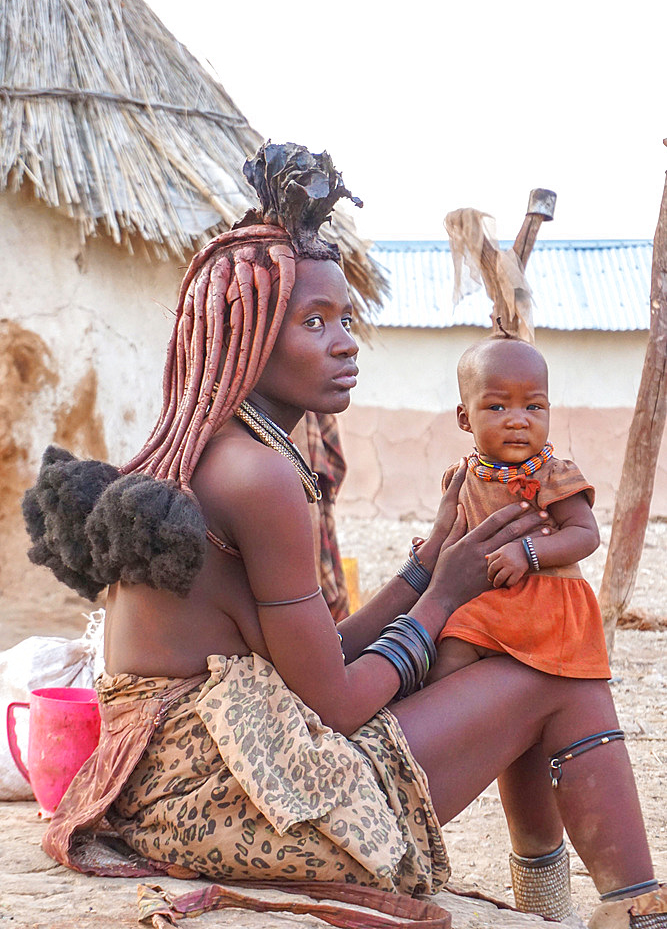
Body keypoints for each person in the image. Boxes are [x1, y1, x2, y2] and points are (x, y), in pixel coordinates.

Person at [23, 143, 664, 929]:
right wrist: (444, 597)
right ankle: (625, 910)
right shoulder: (257, 477)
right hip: (228, 798)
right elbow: (334, 702)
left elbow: (318, 659)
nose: (345, 342)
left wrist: (427, 562)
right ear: (244, 336)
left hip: (182, 777)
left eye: (347, 319)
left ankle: (565, 901)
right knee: (558, 674)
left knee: (527, 659)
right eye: (314, 321)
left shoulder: (223, 450)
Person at [431, 333, 610, 683]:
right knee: (437, 645)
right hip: (486, 598)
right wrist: (432, 550)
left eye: (533, 407)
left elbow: (586, 535)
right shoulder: (461, 477)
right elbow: (455, 535)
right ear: (465, 418)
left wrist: (528, 552)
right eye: (497, 407)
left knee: (456, 646)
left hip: (546, 604)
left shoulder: (552, 474)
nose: (518, 421)